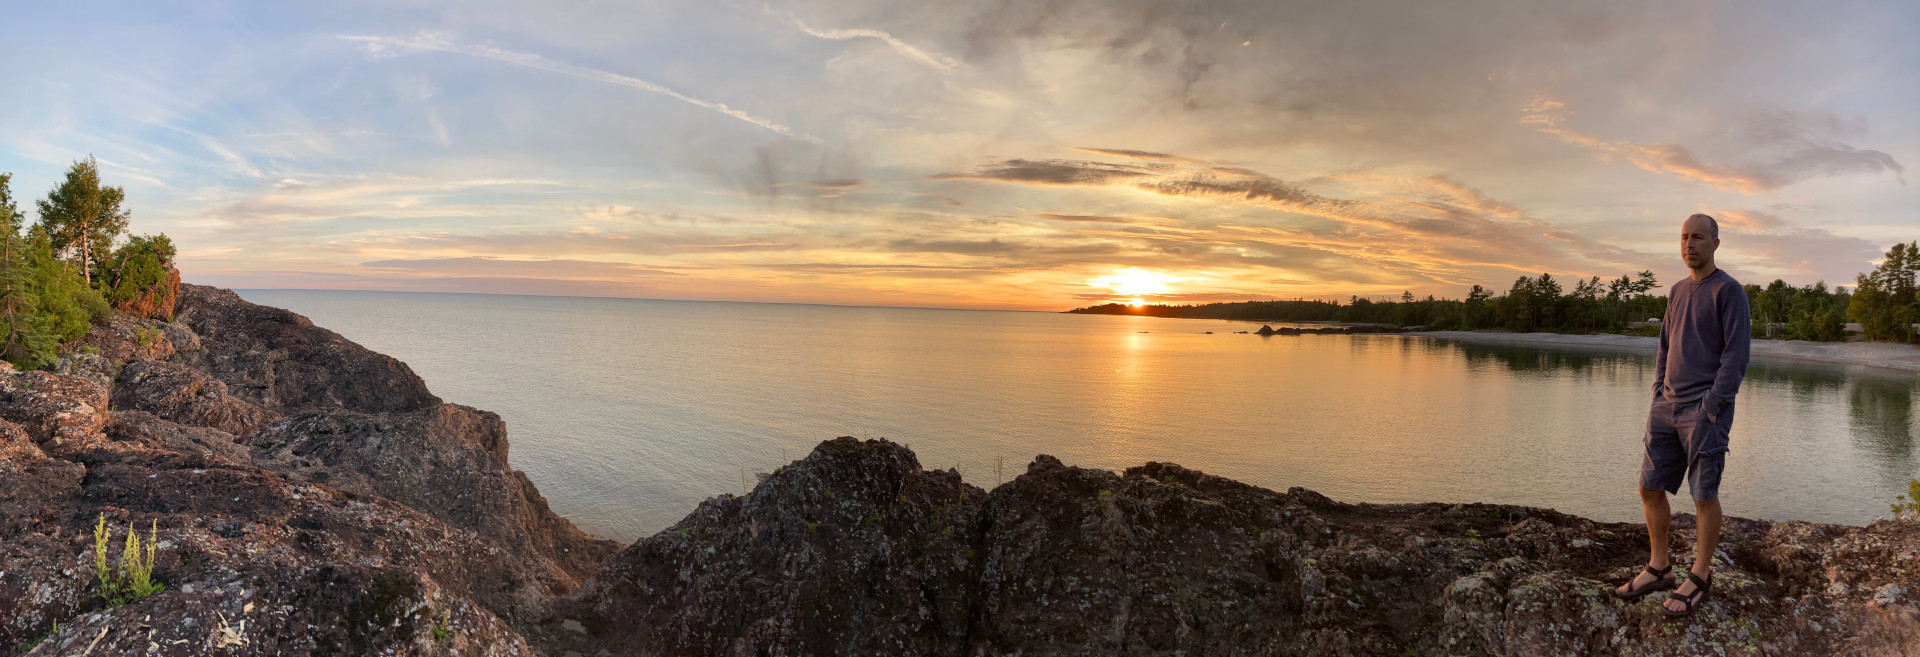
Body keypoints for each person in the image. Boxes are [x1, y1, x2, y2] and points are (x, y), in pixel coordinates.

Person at [1609, 213, 1751, 617]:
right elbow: (1665, 348)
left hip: (1704, 412)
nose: (1690, 244)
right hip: (1666, 407)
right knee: (1649, 488)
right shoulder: (1676, 291)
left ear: (1715, 244)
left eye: (1699, 238)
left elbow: (1735, 357)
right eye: (1685, 237)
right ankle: (1659, 567)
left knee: (1704, 496)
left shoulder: (1729, 291)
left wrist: (1712, 406)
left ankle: (1701, 575)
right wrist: (1658, 394)